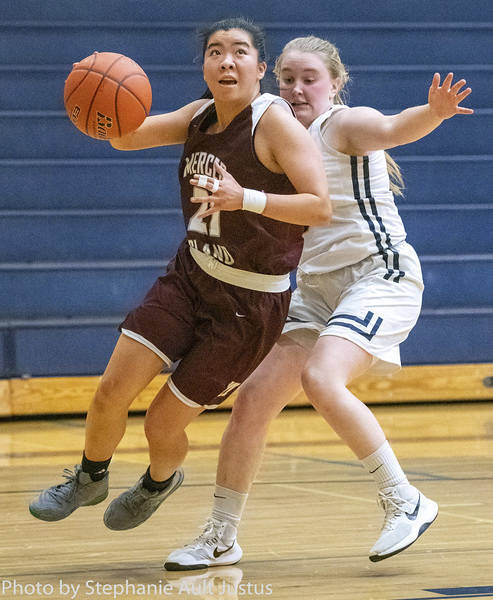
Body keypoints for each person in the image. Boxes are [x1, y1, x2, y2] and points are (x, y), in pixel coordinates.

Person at [164, 36, 474, 570]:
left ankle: (405, 498)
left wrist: (435, 113)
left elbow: (394, 127)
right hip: (313, 289)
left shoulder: (343, 125)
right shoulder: (273, 134)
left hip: (378, 276)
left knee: (323, 378)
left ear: (336, 84)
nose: (297, 88)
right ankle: (221, 536)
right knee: (253, 401)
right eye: (287, 78)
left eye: (310, 78)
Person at [28, 20, 331, 531]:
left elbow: (319, 208)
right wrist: (99, 107)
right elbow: (126, 140)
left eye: (239, 52)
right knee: (111, 390)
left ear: (260, 69)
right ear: (206, 67)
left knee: (161, 422)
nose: (226, 60)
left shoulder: (275, 124)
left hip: (248, 305)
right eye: (215, 52)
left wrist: (245, 198)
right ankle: (89, 476)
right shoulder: (199, 115)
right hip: (191, 277)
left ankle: (158, 481)